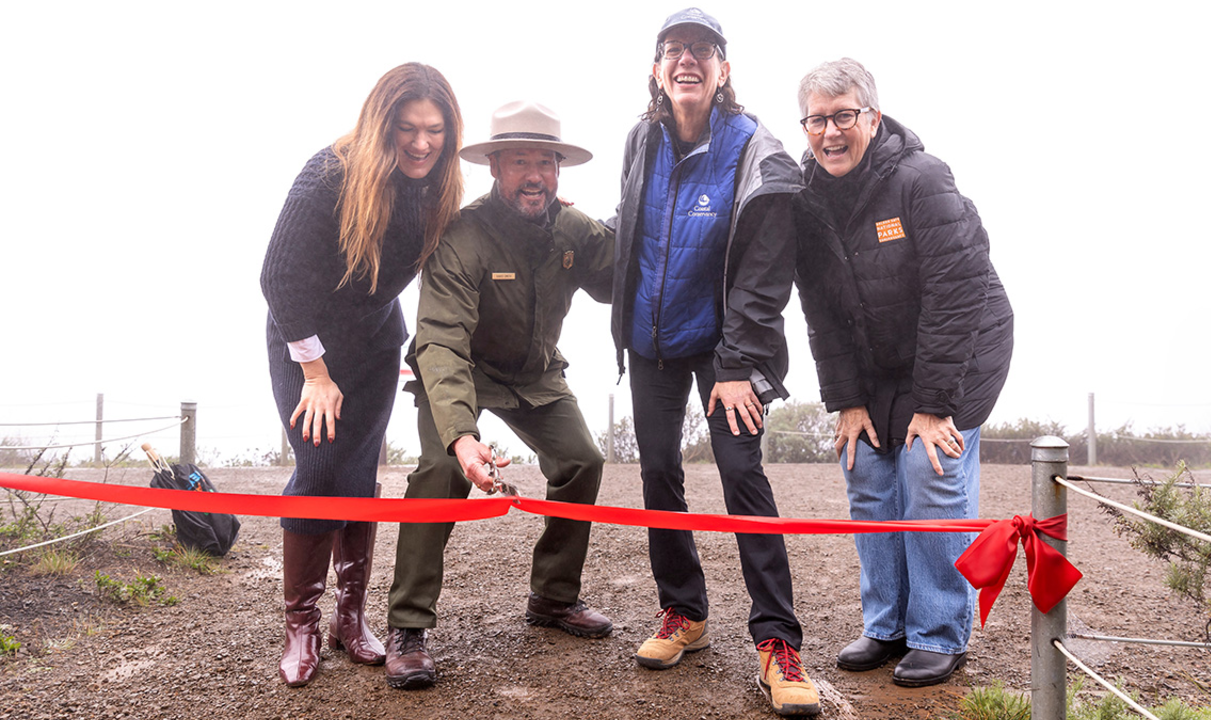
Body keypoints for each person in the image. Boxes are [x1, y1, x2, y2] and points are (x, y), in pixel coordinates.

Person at [606, 8, 819, 717]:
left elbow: (766, 271)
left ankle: (778, 642)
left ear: (724, 70)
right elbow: (630, 229)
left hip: (726, 349)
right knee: (659, 473)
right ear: (658, 70)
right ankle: (684, 614)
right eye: (674, 50)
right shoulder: (642, 138)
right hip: (652, 342)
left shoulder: (755, 146)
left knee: (740, 473)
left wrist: (736, 362)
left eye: (702, 50)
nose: (687, 60)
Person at [791, 58, 1015, 688]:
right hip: (881, 363)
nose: (831, 132)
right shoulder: (806, 203)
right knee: (862, 462)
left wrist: (935, 403)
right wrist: (847, 400)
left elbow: (960, 290)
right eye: (817, 119)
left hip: (964, 349)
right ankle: (886, 625)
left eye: (844, 116)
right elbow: (821, 312)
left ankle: (940, 632)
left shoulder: (922, 180)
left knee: (928, 465)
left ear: (873, 117)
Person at [383, 100, 615, 690]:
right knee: (440, 471)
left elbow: (621, 274)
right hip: (464, 370)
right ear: (495, 168)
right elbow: (439, 341)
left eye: (544, 161)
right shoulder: (460, 236)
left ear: (559, 170)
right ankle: (408, 626)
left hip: (537, 373)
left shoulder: (572, 227)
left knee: (583, 460)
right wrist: (461, 435)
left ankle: (553, 598)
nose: (533, 174)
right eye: (519, 161)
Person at [260, 62, 465, 688]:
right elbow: (277, 278)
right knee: (320, 469)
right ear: (383, 123)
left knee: (358, 475)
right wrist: (316, 373)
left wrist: (532, 206)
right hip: (307, 347)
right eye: (408, 128)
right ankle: (302, 625)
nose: (422, 142)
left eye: (434, 130)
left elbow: (473, 234)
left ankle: (352, 619)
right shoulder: (329, 175)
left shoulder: (437, 185)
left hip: (376, 344)